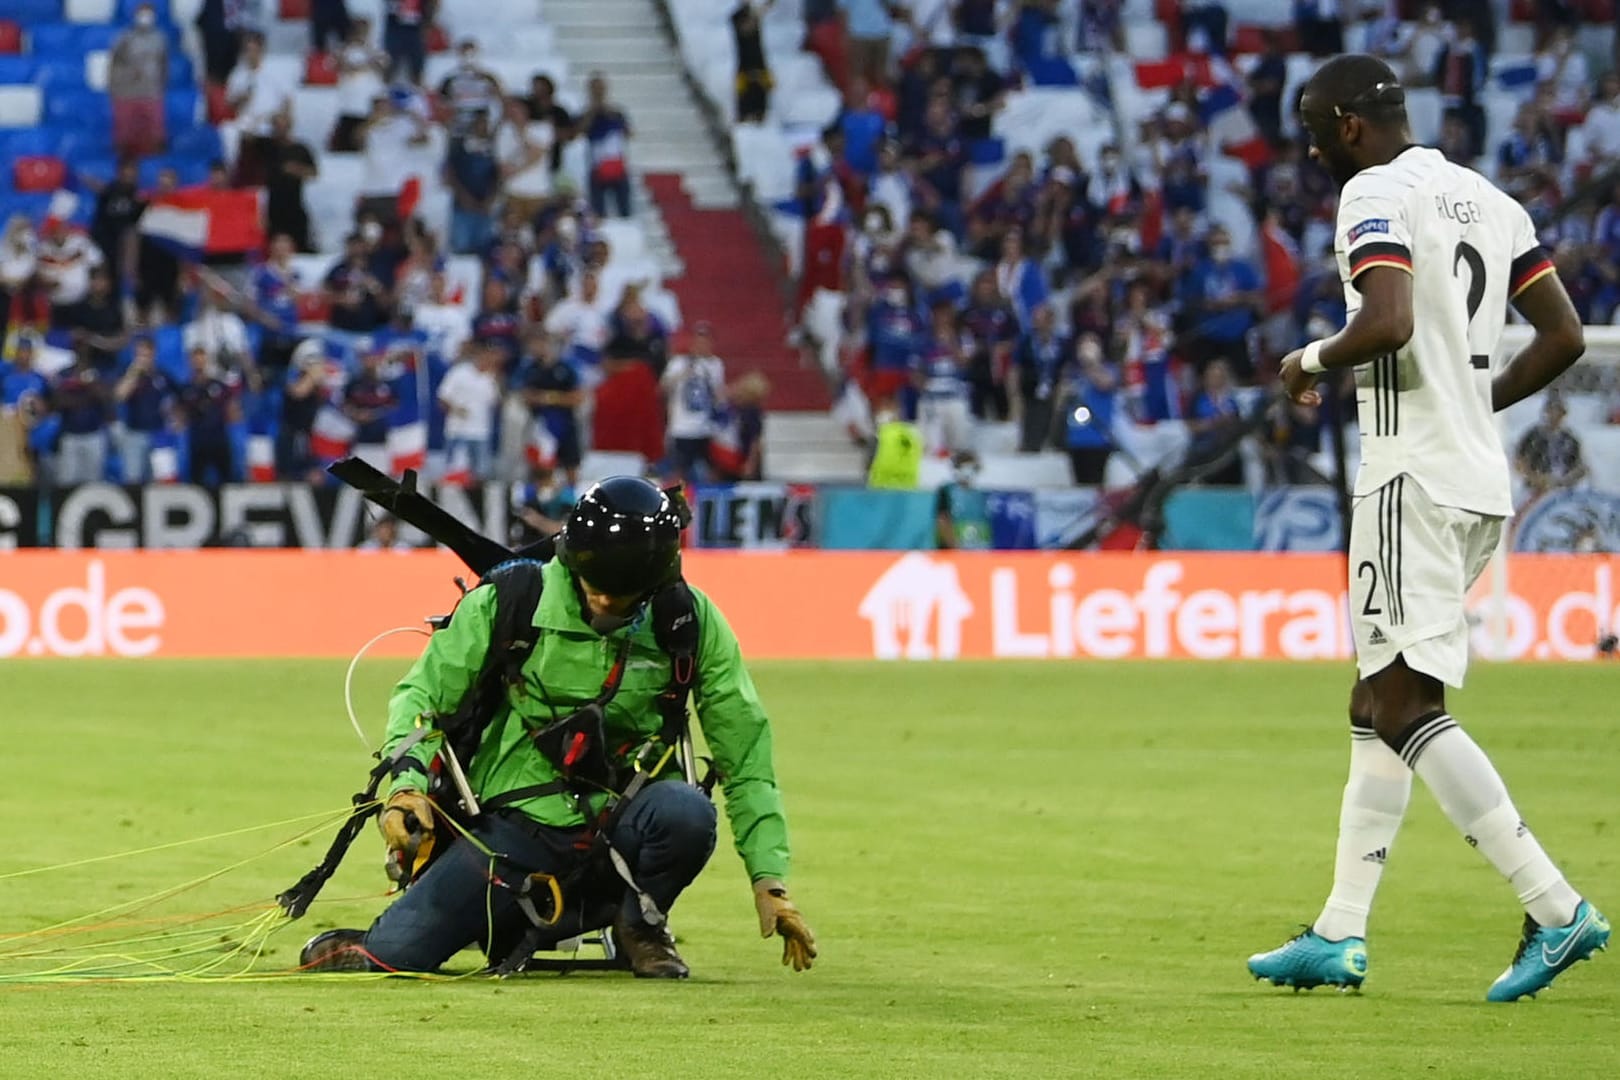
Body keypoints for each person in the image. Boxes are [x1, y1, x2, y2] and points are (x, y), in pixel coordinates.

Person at [1251, 55, 1607, 1002]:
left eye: (1318, 132)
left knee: (1408, 709)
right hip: (1475, 478)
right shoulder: (1488, 198)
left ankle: (1555, 905)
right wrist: (1472, 399)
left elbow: (1389, 319)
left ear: (1352, 127)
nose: (1317, 151)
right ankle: (1339, 931)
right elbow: (1566, 337)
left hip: (1409, 476)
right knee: (1376, 700)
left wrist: (1310, 359)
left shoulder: (1372, 190)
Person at [297, 477, 817, 978]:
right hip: (512, 823)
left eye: (623, 597)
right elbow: (420, 696)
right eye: (595, 590)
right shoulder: (511, 598)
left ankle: (641, 926)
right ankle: (492, 922)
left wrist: (769, 881)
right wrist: (406, 787)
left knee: (687, 812)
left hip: (622, 817)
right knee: (397, 955)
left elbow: (745, 753)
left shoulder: (687, 621)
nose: (605, 605)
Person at [661, 322, 726, 482]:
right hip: (682, 428)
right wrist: (684, 373)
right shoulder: (679, 362)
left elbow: (718, 394)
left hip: (705, 427)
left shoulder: (715, 364)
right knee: (680, 472)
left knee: (713, 471)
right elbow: (664, 386)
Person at [519, 331, 584, 486]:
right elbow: (527, 396)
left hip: (564, 422)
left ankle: (572, 499)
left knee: (570, 464)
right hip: (540, 424)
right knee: (539, 465)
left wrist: (548, 398)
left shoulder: (566, 368)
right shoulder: (529, 369)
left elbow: (577, 397)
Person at [109, 2, 169, 159]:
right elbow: (114, 63)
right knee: (124, 136)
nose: (145, 18)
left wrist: (162, 85)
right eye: (142, 13)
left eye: (148, 13)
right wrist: (115, 86)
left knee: (156, 135)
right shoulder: (124, 38)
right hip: (127, 92)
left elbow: (163, 64)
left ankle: (155, 164)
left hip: (151, 92)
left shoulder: (160, 39)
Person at [437, 342, 503, 482]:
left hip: (481, 432)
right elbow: (442, 398)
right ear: (480, 356)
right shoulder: (459, 372)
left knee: (481, 474)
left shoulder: (490, 378)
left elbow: (495, 403)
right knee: (454, 472)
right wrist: (456, 410)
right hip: (457, 430)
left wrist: (497, 381)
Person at [177, 346, 240, 486]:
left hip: (219, 438)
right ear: (190, 362)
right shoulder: (186, 388)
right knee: (196, 481)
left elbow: (233, 412)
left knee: (227, 481)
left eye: (202, 359)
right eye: (195, 360)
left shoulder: (219, 385)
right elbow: (180, 415)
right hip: (198, 440)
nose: (199, 363)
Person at [113, 337, 173, 483]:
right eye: (139, 354)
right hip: (134, 433)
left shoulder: (161, 375)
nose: (143, 359)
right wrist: (133, 373)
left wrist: (174, 415)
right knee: (134, 479)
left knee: (159, 480)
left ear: (153, 354)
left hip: (158, 433)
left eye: (145, 355)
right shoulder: (129, 374)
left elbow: (178, 397)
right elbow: (119, 396)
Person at [1514, 391, 1587, 501]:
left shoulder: (1570, 439)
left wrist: (1566, 479)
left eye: (1559, 412)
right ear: (1546, 412)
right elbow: (1519, 461)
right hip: (1535, 488)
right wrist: (1535, 478)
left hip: (1563, 489)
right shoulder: (1534, 435)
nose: (1555, 416)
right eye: (1552, 411)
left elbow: (1580, 466)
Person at [445, 111, 501, 255]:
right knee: (461, 245)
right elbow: (451, 173)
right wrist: (463, 197)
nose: (483, 127)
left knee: (484, 247)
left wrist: (490, 199)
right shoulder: (460, 146)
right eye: (480, 123)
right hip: (463, 204)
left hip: (485, 206)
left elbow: (498, 175)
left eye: (486, 124)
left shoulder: (494, 148)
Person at [51, 360, 111, 486]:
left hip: (93, 436)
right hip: (70, 436)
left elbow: (106, 397)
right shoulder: (65, 373)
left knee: (93, 482)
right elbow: (58, 402)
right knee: (66, 481)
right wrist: (78, 386)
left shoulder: (97, 372)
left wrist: (89, 384)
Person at [264, 114, 319, 252]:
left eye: (283, 126)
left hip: (294, 202)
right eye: (277, 126)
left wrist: (296, 169)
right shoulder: (266, 147)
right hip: (272, 204)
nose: (280, 129)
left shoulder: (300, 149)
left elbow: (314, 173)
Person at [582, 73, 633, 219]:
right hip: (596, 165)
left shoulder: (616, 112)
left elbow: (628, 132)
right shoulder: (586, 112)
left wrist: (610, 114)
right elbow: (580, 131)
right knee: (598, 209)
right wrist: (593, 112)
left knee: (624, 207)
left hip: (615, 162)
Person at [731, 0, 774, 123]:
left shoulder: (754, 14)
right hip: (745, 64)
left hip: (759, 62)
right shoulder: (736, 16)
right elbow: (746, 28)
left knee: (761, 98)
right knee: (745, 98)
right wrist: (757, 14)